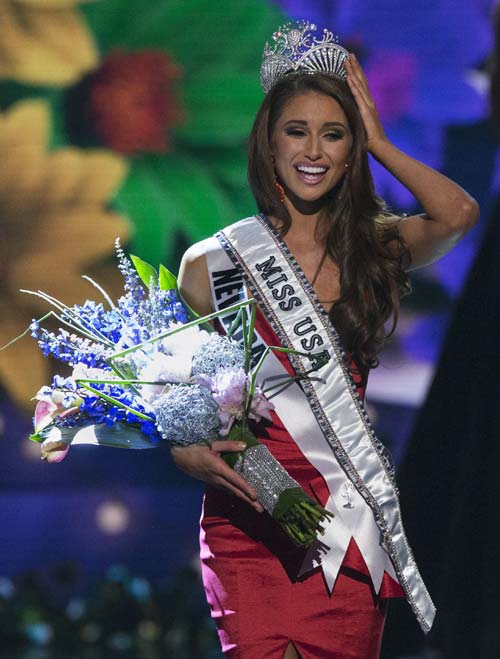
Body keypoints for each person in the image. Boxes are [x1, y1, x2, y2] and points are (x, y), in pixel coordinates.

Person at [171, 22, 479, 659]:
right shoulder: (212, 262)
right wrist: (183, 449)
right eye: (297, 130)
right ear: (271, 144)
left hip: (345, 518)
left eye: (333, 134)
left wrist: (383, 144)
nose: (313, 149)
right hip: (250, 515)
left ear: (349, 150)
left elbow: (458, 216)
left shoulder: (374, 249)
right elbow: (191, 401)